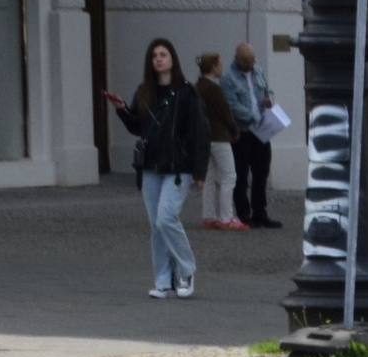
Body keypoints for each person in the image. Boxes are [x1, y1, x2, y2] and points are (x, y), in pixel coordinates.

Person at [108, 38, 207, 298]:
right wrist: (121, 110)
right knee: (156, 224)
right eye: (154, 56)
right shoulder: (145, 91)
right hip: (150, 164)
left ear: (173, 58)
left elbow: (198, 132)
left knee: (167, 218)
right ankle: (163, 280)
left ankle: (186, 269)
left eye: (163, 54)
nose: (159, 59)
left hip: (178, 165)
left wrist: (200, 171)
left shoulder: (186, 92)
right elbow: (138, 128)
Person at [221, 42, 280, 228]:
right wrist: (252, 115)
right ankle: (244, 214)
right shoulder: (228, 78)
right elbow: (232, 105)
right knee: (241, 173)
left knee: (261, 172)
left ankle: (260, 212)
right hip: (242, 131)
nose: (249, 65)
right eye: (245, 61)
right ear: (237, 59)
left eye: (251, 61)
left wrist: (270, 100)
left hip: (261, 129)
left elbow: (268, 90)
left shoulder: (258, 71)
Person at [193, 51, 242, 229]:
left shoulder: (198, 86)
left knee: (210, 176)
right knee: (229, 176)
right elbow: (225, 113)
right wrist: (235, 130)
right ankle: (226, 217)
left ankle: (209, 215)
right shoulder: (214, 88)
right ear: (213, 67)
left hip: (205, 138)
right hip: (219, 137)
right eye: (219, 64)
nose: (222, 67)